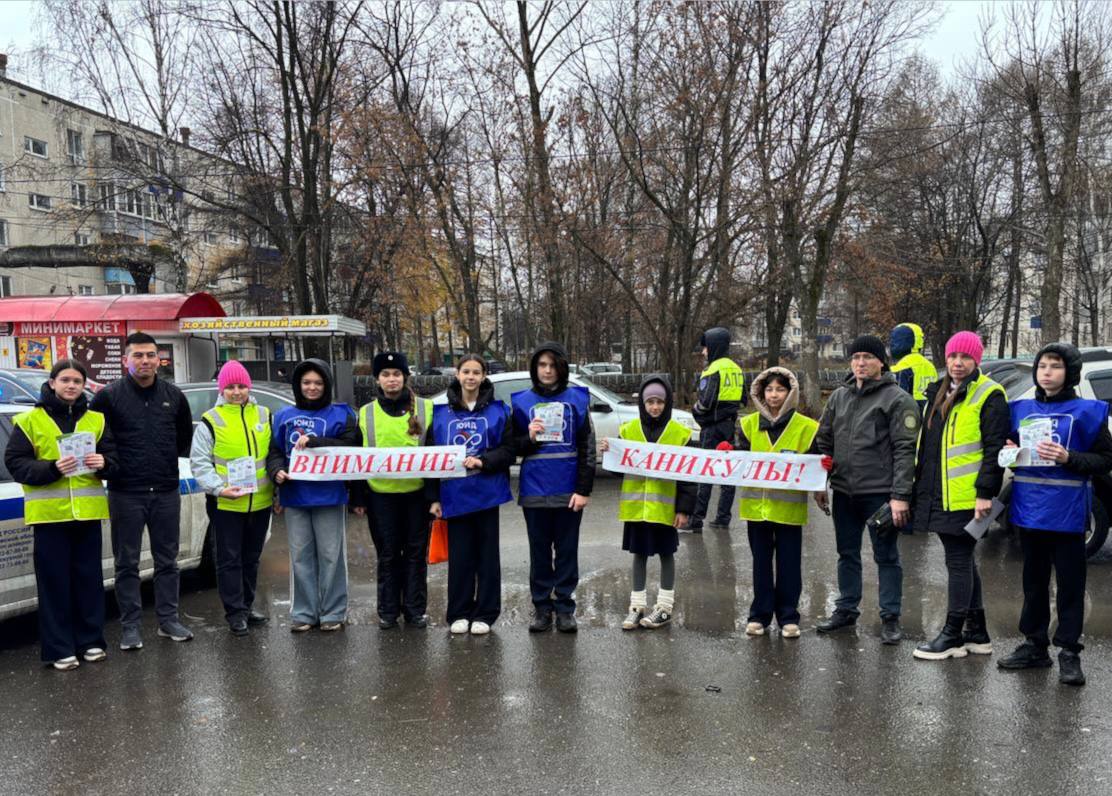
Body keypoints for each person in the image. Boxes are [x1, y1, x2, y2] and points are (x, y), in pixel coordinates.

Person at [997, 343, 1112, 686]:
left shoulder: (1088, 412)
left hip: (1068, 514)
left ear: (1070, 373)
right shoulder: (1018, 409)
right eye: (1042, 365)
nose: (1047, 372)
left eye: (1055, 366)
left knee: (1070, 586)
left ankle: (1069, 652)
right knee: (1033, 584)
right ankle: (1035, 645)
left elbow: (1106, 460)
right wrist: (1010, 453)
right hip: (1029, 512)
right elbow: (1005, 454)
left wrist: (1069, 458)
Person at [5, 360, 116, 670]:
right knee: (54, 585)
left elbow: (116, 461)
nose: (71, 386)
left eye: (77, 381)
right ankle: (59, 649)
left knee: (89, 581)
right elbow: (16, 464)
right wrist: (52, 469)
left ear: (83, 386)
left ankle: (91, 642)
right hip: (49, 517)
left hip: (87, 515)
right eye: (65, 379)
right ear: (52, 383)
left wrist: (103, 463)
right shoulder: (29, 421)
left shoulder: (97, 420)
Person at [91, 332, 195, 649]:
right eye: (138, 355)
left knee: (167, 561)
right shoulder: (108, 397)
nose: (146, 361)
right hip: (126, 492)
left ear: (159, 359)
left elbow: (182, 441)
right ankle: (131, 627)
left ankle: (168, 621)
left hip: (165, 490)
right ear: (126, 360)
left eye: (151, 355)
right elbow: (95, 438)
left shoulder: (174, 396)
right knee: (127, 564)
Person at [813, 335, 920, 644]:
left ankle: (890, 617)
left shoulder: (897, 399)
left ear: (881, 362)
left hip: (880, 494)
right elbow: (824, 442)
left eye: (867, 357)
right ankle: (846, 610)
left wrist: (900, 497)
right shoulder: (839, 397)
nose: (860, 363)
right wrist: (820, 484)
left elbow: (905, 451)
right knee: (846, 554)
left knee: (886, 557)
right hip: (844, 492)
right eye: (856, 357)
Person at [910, 332, 1008, 661]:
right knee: (963, 560)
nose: (957, 363)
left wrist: (985, 494)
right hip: (939, 494)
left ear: (976, 360)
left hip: (967, 498)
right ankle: (977, 633)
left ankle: (952, 635)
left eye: (965, 357)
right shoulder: (939, 391)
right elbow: (931, 448)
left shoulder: (988, 393)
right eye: (953, 356)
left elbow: (995, 448)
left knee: (958, 561)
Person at [266, 358, 359, 633]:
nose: (312, 387)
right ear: (298, 385)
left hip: (329, 496)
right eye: (306, 382)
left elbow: (352, 446)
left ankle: (333, 611)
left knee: (332, 555)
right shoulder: (283, 416)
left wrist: (317, 442)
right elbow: (274, 452)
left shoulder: (342, 415)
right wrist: (277, 472)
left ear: (327, 385)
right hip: (295, 497)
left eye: (318, 383)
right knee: (300, 557)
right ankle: (305, 612)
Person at [426, 355, 516, 635]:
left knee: (487, 557)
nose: (471, 377)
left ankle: (486, 613)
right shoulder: (440, 414)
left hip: (487, 494)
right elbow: (430, 458)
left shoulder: (500, 411)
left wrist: (484, 461)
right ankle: (459, 612)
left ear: (484, 375)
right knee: (461, 557)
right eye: (466, 371)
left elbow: (509, 450)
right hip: (454, 496)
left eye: (476, 372)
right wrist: (433, 498)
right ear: (457, 374)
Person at [511, 342, 595, 634]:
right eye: (542, 365)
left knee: (567, 551)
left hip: (569, 489)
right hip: (534, 490)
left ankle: (565, 608)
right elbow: (512, 447)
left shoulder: (578, 399)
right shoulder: (521, 401)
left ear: (561, 367)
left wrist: (584, 490)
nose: (547, 371)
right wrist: (528, 437)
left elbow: (587, 446)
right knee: (539, 553)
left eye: (552, 365)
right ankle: (542, 609)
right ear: (535, 368)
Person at [601, 376, 696, 630]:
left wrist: (684, 509)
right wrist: (610, 454)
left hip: (664, 510)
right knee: (639, 554)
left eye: (660, 402)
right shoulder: (628, 431)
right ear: (643, 403)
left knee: (667, 554)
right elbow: (620, 471)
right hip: (636, 509)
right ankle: (636, 606)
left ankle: (664, 607)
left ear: (667, 403)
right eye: (650, 402)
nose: (655, 407)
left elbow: (688, 477)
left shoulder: (680, 434)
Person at [189, 361, 274, 636]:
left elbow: (273, 455)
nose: (236, 392)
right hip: (226, 503)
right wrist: (217, 488)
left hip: (260, 502)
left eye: (241, 386)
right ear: (221, 389)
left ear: (248, 387)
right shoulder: (211, 420)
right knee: (229, 560)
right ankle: (235, 613)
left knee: (252, 558)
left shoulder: (264, 415)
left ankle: (248, 607)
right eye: (230, 387)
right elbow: (200, 462)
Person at [350, 352, 433, 630]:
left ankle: (414, 610)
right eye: (385, 374)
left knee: (415, 554)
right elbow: (356, 456)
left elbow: (435, 455)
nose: (391, 379)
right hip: (380, 496)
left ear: (405, 377)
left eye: (396, 374)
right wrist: (358, 497)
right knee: (387, 554)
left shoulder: (425, 408)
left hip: (417, 496)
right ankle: (387, 611)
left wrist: (434, 497)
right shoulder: (365, 413)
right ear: (377, 380)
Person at [735, 367, 819, 639]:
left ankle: (788, 616)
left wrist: (825, 467)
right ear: (760, 393)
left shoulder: (807, 427)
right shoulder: (747, 425)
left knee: (789, 564)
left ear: (790, 393)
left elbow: (817, 461)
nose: (774, 395)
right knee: (760, 564)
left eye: (780, 389)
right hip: (756, 509)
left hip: (789, 509)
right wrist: (727, 453)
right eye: (769, 389)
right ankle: (759, 615)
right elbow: (738, 460)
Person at [688, 326, 745, 532]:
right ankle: (723, 517)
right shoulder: (736, 369)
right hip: (729, 426)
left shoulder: (712, 370)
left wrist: (696, 412)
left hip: (710, 428)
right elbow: (744, 399)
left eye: (705, 348)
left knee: (706, 472)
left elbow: (706, 401)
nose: (704, 352)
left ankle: (696, 520)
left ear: (713, 346)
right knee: (727, 472)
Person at [889, 322, 936, 410]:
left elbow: (897, 400)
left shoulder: (902, 367)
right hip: (929, 412)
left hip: (909, 415)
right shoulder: (930, 365)